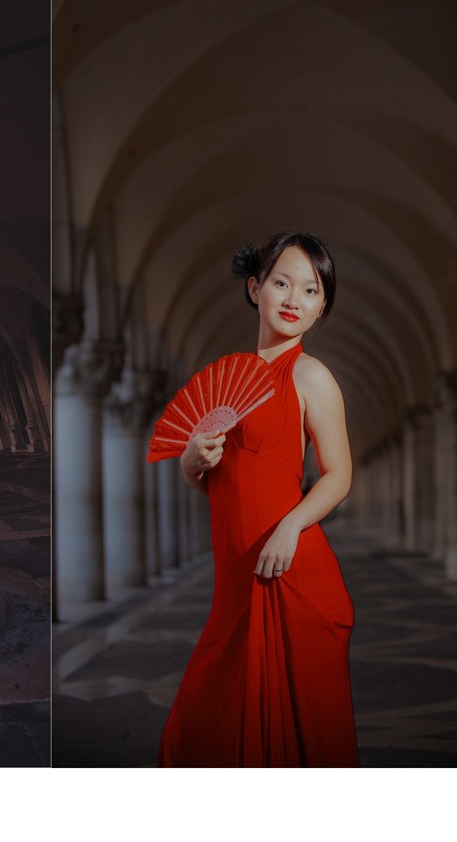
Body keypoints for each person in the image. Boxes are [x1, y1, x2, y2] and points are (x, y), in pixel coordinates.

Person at [158, 231, 357, 767]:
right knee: (201, 728)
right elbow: (219, 486)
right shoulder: (227, 382)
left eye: (311, 291)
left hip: (290, 570)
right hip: (235, 581)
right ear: (255, 288)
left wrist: (291, 527)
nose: (294, 299)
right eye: (281, 283)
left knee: (302, 736)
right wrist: (190, 465)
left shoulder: (312, 377)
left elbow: (338, 474)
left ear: (321, 307)